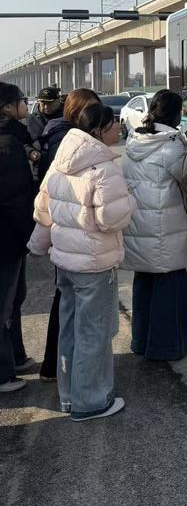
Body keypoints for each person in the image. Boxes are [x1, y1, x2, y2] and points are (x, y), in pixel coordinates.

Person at [29, 103, 134, 420]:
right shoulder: (103, 168)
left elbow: (43, 209)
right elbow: (112, 219)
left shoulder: (61, 161)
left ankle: (70, 396)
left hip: (65, 262)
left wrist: (37, 245)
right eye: (113, 124)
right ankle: (91, 402)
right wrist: (129, 199)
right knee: (95, 334)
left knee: (70, 330)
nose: (118, 129)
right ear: (99, 130)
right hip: (94, 264)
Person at [121, 90, 187, 361]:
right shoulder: (172, 145)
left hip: (139, 227)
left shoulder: (134, 140)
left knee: (144, 284)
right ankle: (166, 347)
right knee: (169, 287)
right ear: (176, 114)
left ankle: (141, 341)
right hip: (165, 228)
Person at [36, 88, 100, 383]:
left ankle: (56, 367)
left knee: (65, 303)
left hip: (66, 234)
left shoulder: (59, 135)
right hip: (72, 234)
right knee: (71, 307)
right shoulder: (69, 141)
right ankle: (63, 370)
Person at [0, 84, 35, 393]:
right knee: (4, 303)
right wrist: (32, 236)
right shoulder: (8, 144)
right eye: (22, 100)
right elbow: (15, 199)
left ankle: (16, 357)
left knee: (14, 299)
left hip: (11, 237)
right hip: (7, 237)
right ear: (8, 107)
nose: (26, 104)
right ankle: (3, 373)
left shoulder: (14, 138)